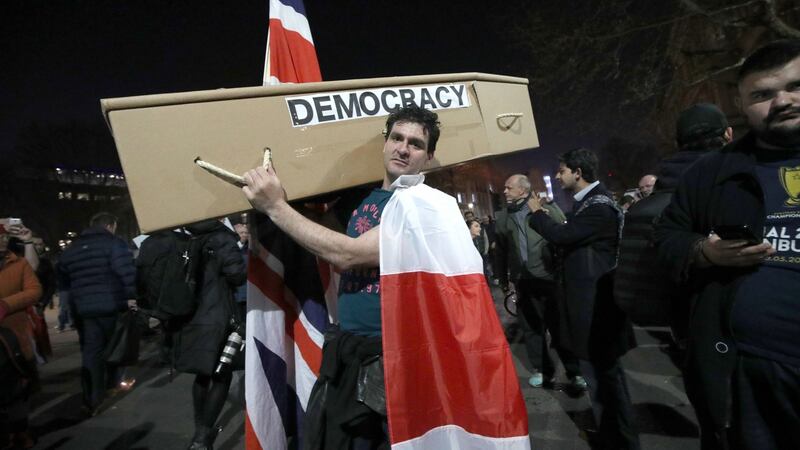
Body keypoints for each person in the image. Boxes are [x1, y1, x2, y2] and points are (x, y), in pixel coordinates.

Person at [242, 105, 440, 448]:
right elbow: (324, 233)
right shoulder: (363, 199)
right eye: (396, 138)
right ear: (384, 143)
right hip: (348, 348)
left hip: (390, 355)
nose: (403, 148)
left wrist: (275, 206)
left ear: (429, 157)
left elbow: (348, 255)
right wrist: (284, 198)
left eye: (416, 144)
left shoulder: (419, 205)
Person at [656, 39, 800, 449]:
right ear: (740, 104)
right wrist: (704, 251)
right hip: (749, 373)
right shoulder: (711, 173)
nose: (782, 101)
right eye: (763, 95)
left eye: (795, 86)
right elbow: (665, 240)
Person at [527, 148, 639, 449]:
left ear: (578, 172)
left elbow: (564, 236)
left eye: (562, 171)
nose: (558, 176)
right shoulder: (590, 204)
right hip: (592, 308)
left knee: (607, 381)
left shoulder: (598, 207)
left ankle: (620, 440)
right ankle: (611, 434)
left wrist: (537, 213)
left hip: (597, 310)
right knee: (600, 378)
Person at [494, 174, 583, 390]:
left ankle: (574, 372)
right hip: (523, 281)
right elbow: (501, 252)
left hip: (548, 278)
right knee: (531, 328)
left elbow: (563, 235)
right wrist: (504, 279)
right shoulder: (503, 217)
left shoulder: (543, 208)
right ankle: (542, 369)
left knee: (559, 327)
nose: (504, 191)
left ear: (523, 190)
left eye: (508, 187)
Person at [174, 219, 246, 450]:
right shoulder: (222, 238)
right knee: (222, 374)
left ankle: (200, 429)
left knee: (202, 374)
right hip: (219, 315)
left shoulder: (189, 237)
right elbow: (237, 275)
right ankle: (202, 438)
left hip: (193, 314)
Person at [56, 212, 137, 416]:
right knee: (115, 347)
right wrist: (132, 296)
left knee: (91, 352)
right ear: (110, 226)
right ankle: (113, 384)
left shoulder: (72, 249)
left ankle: (92, 398)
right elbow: (126, 272)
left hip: (84, 308)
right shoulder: (114, 244)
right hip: (111, 304)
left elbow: (63, 278)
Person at [0, 224, 42, 449]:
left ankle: (20, 432)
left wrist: (6, 305)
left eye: (4, 236)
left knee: (16, 388)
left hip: (13, 337)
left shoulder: (18, 263)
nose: (2, 240)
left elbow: (34, 290)